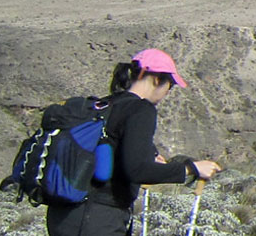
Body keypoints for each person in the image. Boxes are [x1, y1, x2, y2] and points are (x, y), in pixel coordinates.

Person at [42, 50, 220, 236]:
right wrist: (191, 169)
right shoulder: (141, 109)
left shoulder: (106, 105)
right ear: (157, 79)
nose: (168, 92)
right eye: (170, 85)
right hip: (98, 218)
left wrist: (149, 158)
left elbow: (108, 152)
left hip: (63, 216)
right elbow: (137, 170)